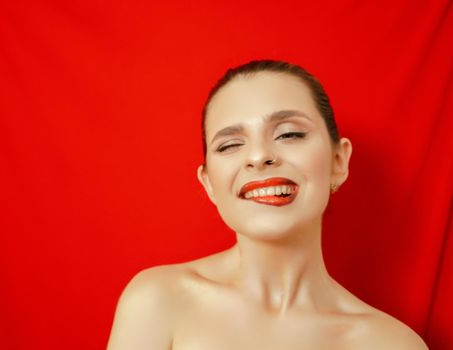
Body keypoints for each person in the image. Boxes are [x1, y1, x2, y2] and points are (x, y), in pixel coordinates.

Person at [106, 60, 429, 350]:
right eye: (231, 144)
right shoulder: (158, 299)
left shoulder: (392, 343)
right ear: (209, 183)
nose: (259, 156)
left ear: (338, 161)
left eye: (289, 134)